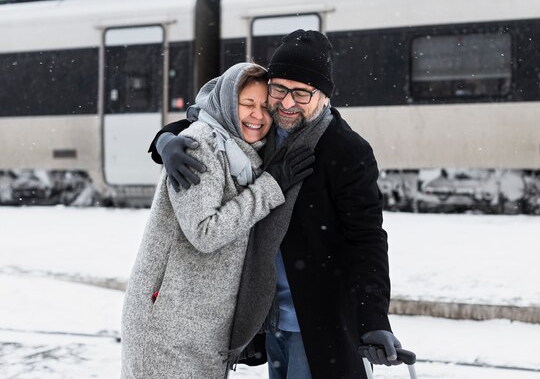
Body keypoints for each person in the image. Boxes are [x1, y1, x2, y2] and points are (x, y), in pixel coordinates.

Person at [148, 30, 403, 379]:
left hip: (317, 324)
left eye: (301, 93)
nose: (286, 103)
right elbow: (213, 122)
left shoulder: (346, 151)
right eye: (279, 89)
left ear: (323, 96)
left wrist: (374, 319)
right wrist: (167, 139)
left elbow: (368, 240)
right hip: (271, 322)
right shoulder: (265, 133)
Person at [121, 62, 314, 379]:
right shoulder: (201, 145)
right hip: (167, 321)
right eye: (247, 104)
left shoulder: (250, 152)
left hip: (205, 326)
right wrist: (271, 188)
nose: (258, 116)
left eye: (266, 107)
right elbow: (205, 232)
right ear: (227, 103)